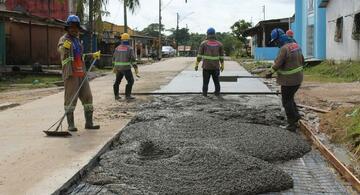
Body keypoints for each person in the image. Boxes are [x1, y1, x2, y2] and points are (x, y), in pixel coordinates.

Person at [57, 15, 100, 132]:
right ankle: (71, 125)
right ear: (67, 28)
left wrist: (92, 55)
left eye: (76, 27)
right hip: (71, 74)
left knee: (88, 97)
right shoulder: (64, 39)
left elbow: (80, 56)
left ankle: (89, 123)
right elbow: (61, 49)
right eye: (72, 27)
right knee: (71, 98)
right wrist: (64, 47)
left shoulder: (77, 40)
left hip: (81, 72)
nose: (74, 29)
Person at [266, 28, 304, 131]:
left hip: (289, 81)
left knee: (286, 101)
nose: (276, 43)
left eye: (276, 41)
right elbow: (302, 59)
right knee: (290, 98)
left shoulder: (284, 48)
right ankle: (296, 117)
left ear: (279, 38)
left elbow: (278, 63)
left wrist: (269, 73)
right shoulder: (296, 45)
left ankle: (291, 124)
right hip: (298, 78)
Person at [195, 27, 225, 97]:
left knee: (205, 82)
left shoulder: (203, 44)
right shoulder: (219, 44)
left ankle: (205, 94)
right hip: (216, 67)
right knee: (217, 82)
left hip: (206, 67)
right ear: (214, 34)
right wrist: (222, 65)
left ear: (207, 34)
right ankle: (217, 93)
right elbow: (221, 57)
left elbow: (199, 56)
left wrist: (196, 64)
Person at [112, 33, 139, 100]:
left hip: (118, 68)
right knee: (130, 81)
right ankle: (127, 96)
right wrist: (135, 67)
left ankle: (116, 96)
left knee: (117, 82)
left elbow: (113, 58)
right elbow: (132, 59)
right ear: (128, 40)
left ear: (122, 40)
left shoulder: (117, 48)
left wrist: (114, 67)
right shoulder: (129, 48)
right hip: (126, 68)